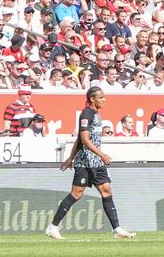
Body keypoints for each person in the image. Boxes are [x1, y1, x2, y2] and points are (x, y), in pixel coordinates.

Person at [47, 85, 135, 240]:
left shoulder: (96, 115)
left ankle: (117, 229)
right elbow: (84, 139)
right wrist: (99, 154)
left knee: (106, 191)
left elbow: (80, 138)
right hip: (86, 161)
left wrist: (70, 157)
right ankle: (52, 227)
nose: (104, 100)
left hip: (96, 162)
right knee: (76, 194)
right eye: (101, 97)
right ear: (92, 99)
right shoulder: (86, 114)